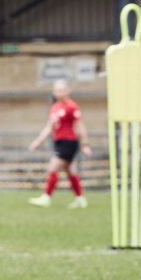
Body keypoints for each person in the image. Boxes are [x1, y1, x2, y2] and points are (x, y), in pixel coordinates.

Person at [27, 79, 92, 208]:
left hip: (69, 142)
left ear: (67, 91)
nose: (59, 92)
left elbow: (79, 126)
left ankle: (46, 197)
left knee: (52, 168)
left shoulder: (71, 106)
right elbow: (49, 127)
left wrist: (85, 144)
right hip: (59, 142)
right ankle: (80, 199)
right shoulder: (55, 107)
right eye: (57, 90)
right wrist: (38, 141)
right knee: (71, 172)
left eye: (62, 90)